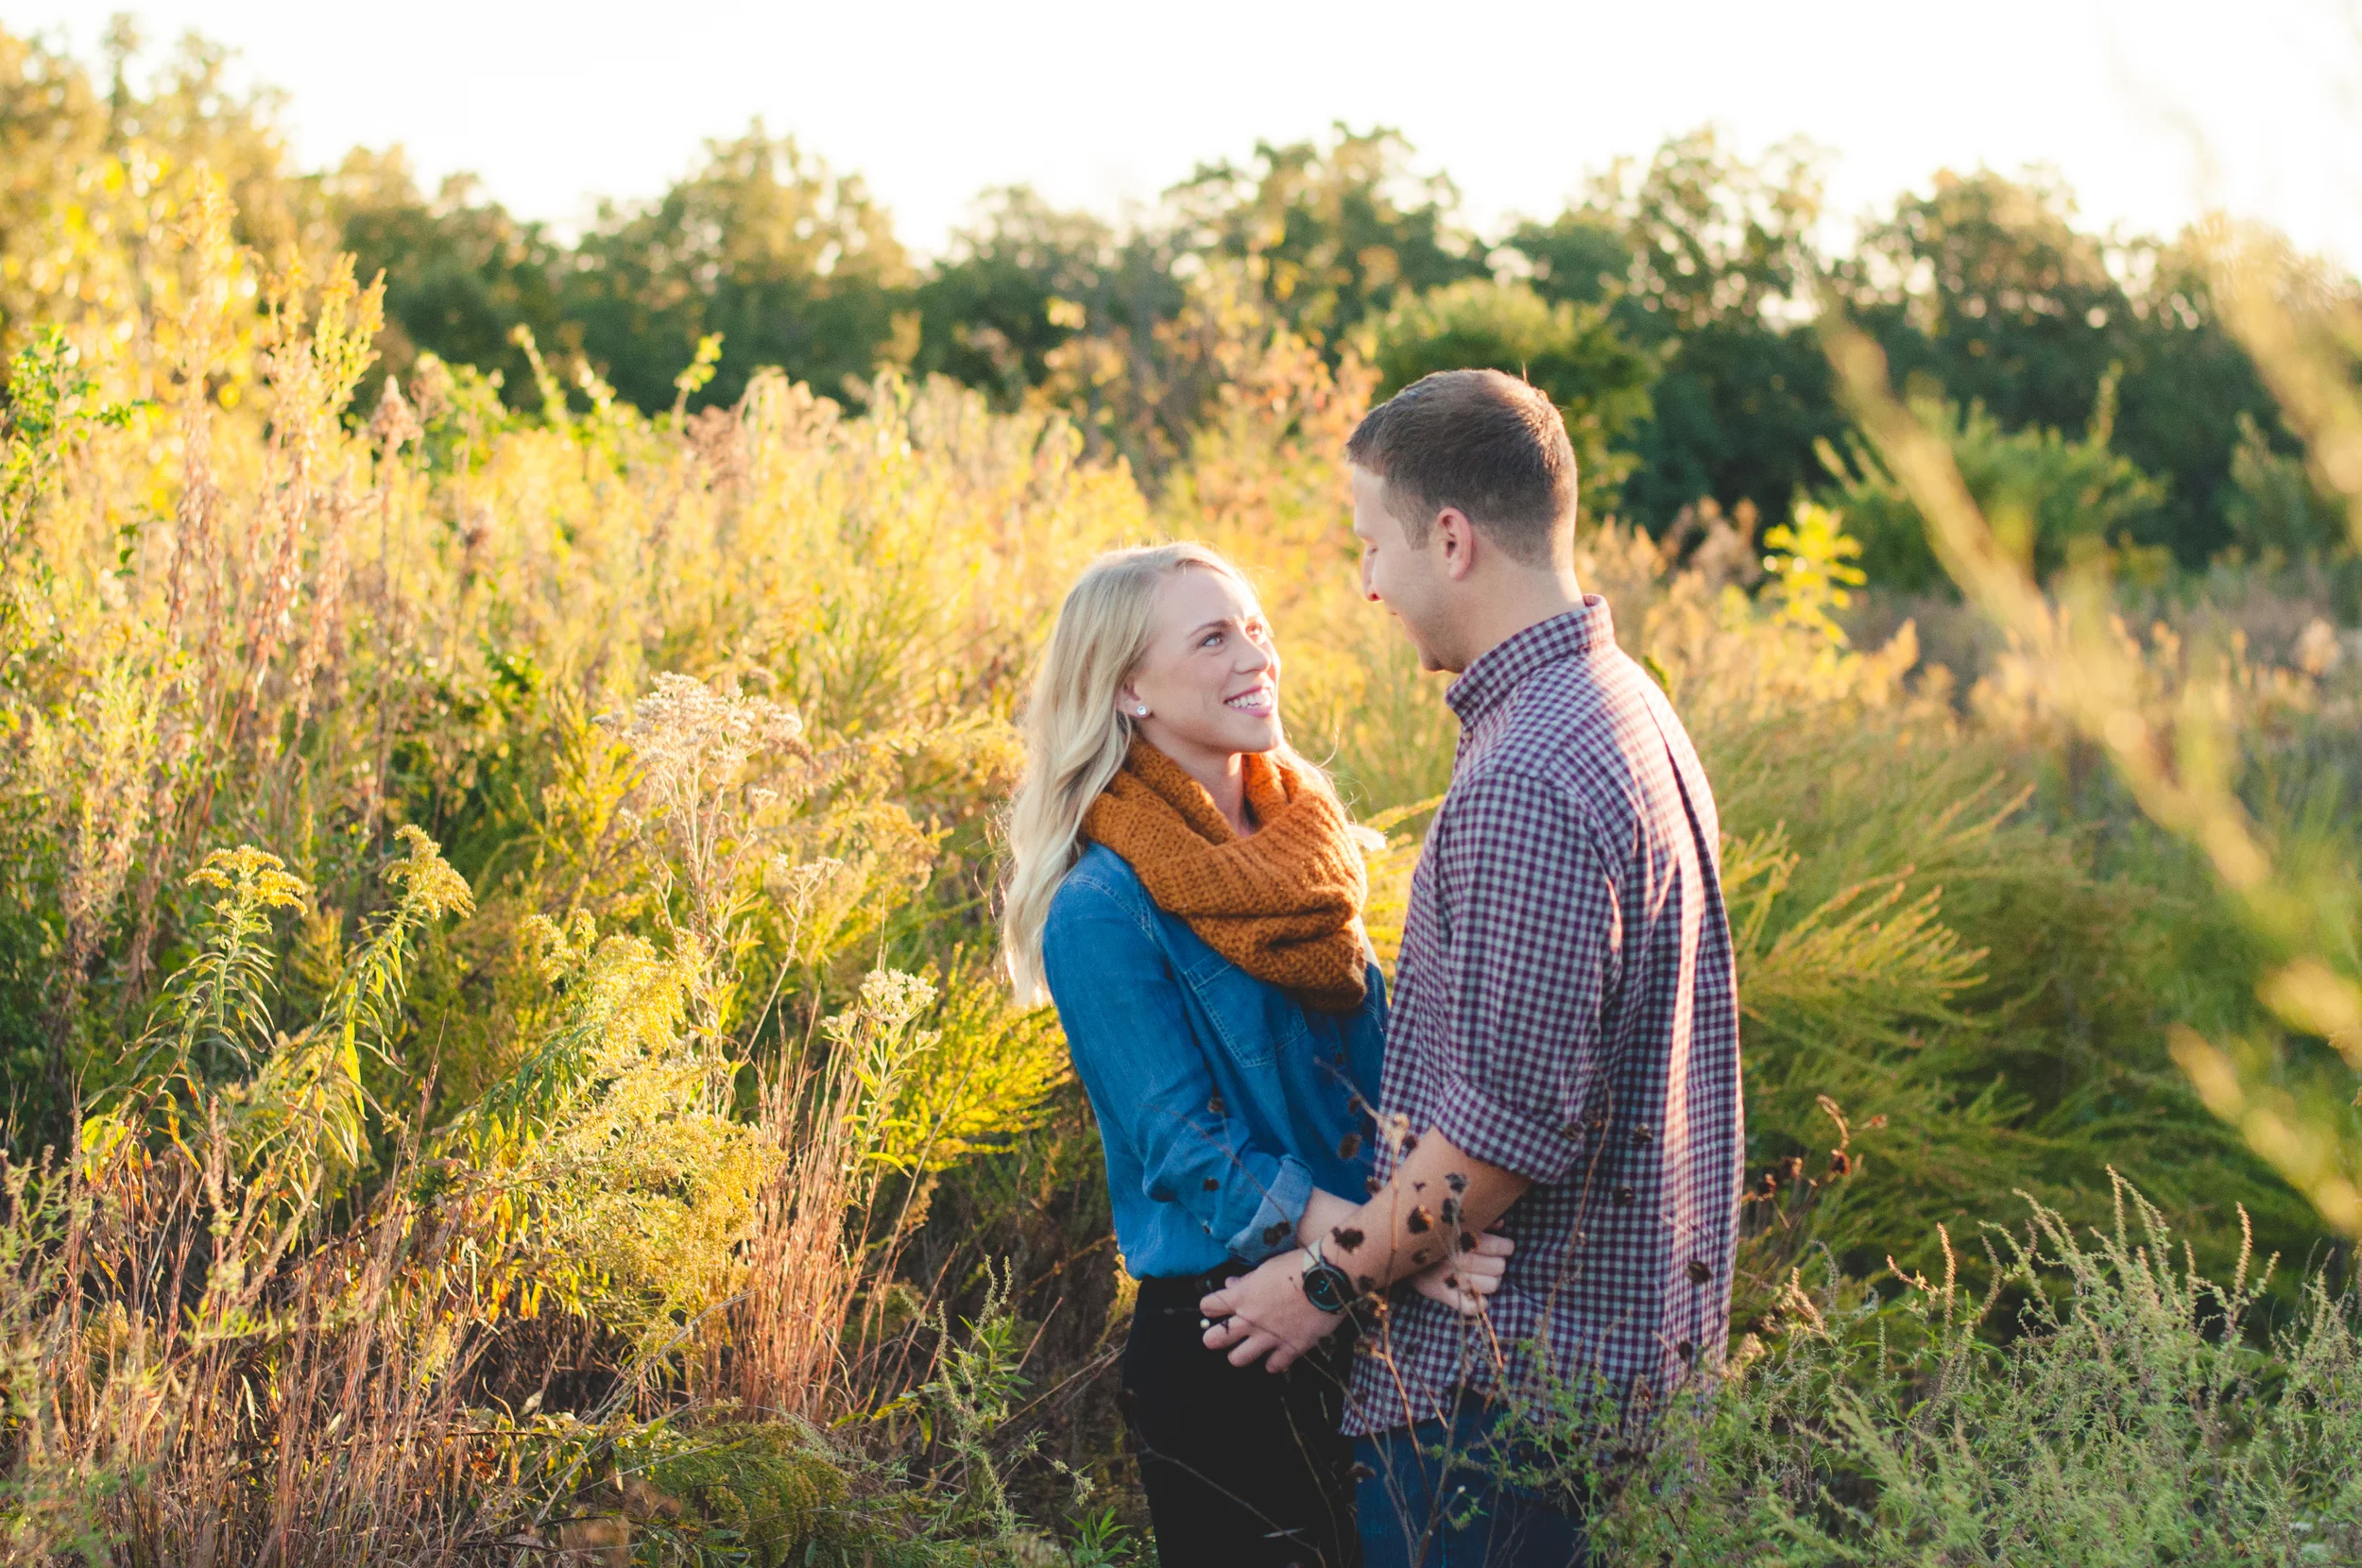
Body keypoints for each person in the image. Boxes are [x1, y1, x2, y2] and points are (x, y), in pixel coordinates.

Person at [1199, 371, 1744, 1567]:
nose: (1367, 583)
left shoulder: (1528, 777)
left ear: (1448, 537)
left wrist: (1319, 1281)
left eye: (1372, 544)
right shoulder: (1624, 704)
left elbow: (1498, 1138)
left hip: (1511, 1410)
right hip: (1602, 1375)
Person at [1002, 541, 1515, 1568]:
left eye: (1256, 628)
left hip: (1360, 1315)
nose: (1255, 654)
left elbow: (1387, 1075)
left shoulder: (1308, 850)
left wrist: (1392, 1247)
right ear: (1130, 689)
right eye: (1212, 637)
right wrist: (1390, 1250)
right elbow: (1183, 1147)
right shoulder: (1098, 907)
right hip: (1235, 1334)